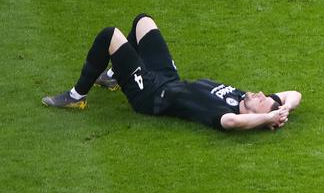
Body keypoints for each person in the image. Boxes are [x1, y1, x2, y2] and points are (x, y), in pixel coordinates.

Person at [42, 13, 300, 131]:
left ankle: (77, 96)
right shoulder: (245, 98)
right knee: (143, 22)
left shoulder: (223, 114)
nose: (260, 93)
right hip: (168, 79)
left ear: (256, 115)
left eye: (262, 101)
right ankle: (114, 77)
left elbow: (234, 123)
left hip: (152, 96)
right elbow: (294, 93)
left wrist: (268, 119)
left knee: (109, 35)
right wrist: (282, 108)